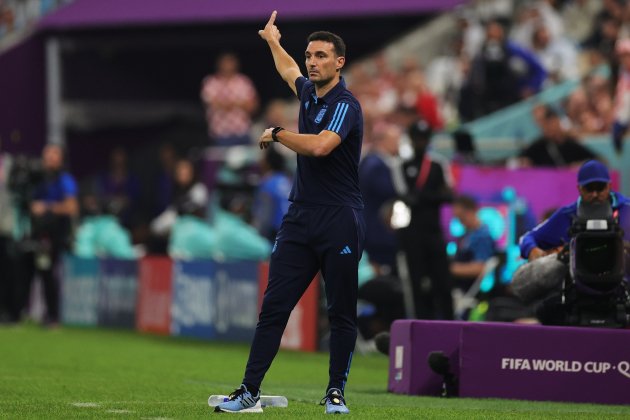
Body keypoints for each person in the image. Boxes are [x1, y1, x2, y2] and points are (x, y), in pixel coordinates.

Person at [215, 11, 365, 415]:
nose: (312, 62)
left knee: (340, 312)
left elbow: (320, 146)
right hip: (301, 218)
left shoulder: (345, 105)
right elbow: (288, 71)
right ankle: (248, 391)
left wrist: (278, 133)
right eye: (309, 55)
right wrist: (272, 41)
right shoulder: (308, 93)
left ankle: (335, 392)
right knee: (274, 308)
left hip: (340, 219)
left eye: (321, 56)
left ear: (339, 63)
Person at [519, 160, 630, 261]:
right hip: (579, 280)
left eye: (600, 188)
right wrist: (532, 250)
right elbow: (527, 238)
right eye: (589, 188)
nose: (595, 194)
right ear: (579, 189)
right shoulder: (567, 215)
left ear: (609, 186)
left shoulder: (627, 208)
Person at [398, 120, 454, 320]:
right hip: (412, 233)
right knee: (416, 283)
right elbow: (401, 196)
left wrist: (422, 197)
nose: (421, 142)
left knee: (443, 282)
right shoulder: (402, 165)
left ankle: (449, 324)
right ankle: (419, 324)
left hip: (434, 231)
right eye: (417, 138)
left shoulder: (438, 165)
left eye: (424, 138)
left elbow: (449, 194)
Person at [29, 144, 78, 326]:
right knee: (39, 272)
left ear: (61, 158)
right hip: (38, 233)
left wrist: (47, 207)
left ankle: (54, 316)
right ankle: (36, 313)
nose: (49, 158)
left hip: (56, 235)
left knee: (51, 274)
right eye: (47, 154)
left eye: (54, 154)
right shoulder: (39, 180)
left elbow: (72, 207)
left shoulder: (65, 180)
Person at [358, 123, 403, 274]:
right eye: (396, 140)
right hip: (377, 230)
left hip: (376, 228)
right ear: (383, 141)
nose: (399, 145)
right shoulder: (375, 165)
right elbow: (391, 191)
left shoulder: (374, 162)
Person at [200, 52, 259, 146]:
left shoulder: (244, 81)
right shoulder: (211, 82)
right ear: (219, 65)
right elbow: (211, 104)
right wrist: (238, 103)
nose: (228, 66)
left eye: (230, 62)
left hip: (242, 132)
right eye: (225, 63)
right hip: (220, 133)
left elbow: (252, 106)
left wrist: (227, 103)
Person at [518, 107, 598, 167]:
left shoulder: (571, 144)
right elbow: (520, 160)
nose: (551, 129)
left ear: (558, 122)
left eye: (553, 124)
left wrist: (580, 165)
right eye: (546, 126)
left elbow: (596, 160)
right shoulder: (539, 146)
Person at [449, 195, 496, 290]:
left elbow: (481, 267)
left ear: (471, 211)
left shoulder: (482, 236)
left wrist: (451, 269)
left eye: (461, 217)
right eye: (457, 218)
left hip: (468, 289)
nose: (460, 222)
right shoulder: (466, 234)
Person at [251, 147, 292, 243]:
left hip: (276, 235)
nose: (260, 161)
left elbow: (264, 218)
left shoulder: (267, 183)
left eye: (262, 159)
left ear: (268, 163)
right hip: (292, 231)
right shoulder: (287, 180)